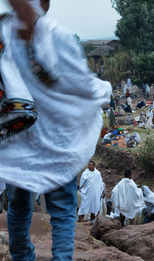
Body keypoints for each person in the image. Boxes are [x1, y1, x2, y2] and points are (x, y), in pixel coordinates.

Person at [0, 1, 112, 260]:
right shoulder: (57, 35)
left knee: (18, 207)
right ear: (45, 3)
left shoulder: (4, 32)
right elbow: (81, 86)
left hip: (18, 146)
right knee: (62, 210)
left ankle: (22, 257)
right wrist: (104, 89)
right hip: (58, 143)